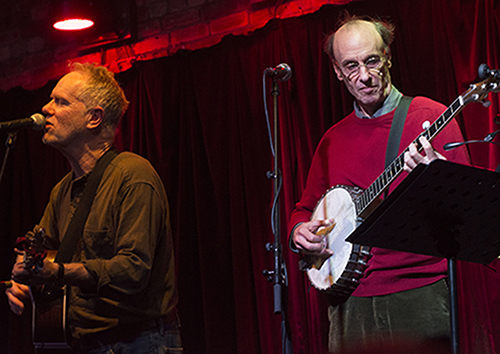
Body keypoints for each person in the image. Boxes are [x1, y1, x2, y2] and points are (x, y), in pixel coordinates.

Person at [287, 14, 470, 352]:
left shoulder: (428, 117)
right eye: (351, 66)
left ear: (387, 56)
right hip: (348, 303)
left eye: (372, 60)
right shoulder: (332, 140)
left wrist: (437, 176)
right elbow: (303, 210)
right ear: (338, 72)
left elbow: (466, 212)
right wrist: (299, 232)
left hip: (418, 295)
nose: (365, 76)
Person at [6, 63, 182, 354]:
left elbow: (134, 269)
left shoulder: (133, 174)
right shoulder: (61, 191)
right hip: (84, 344)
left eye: (60, 102)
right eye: (50, 99)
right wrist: (22, 278)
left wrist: (57, 271)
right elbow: (38, 250)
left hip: (139, 343)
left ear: (94, 118)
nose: (46, 108)